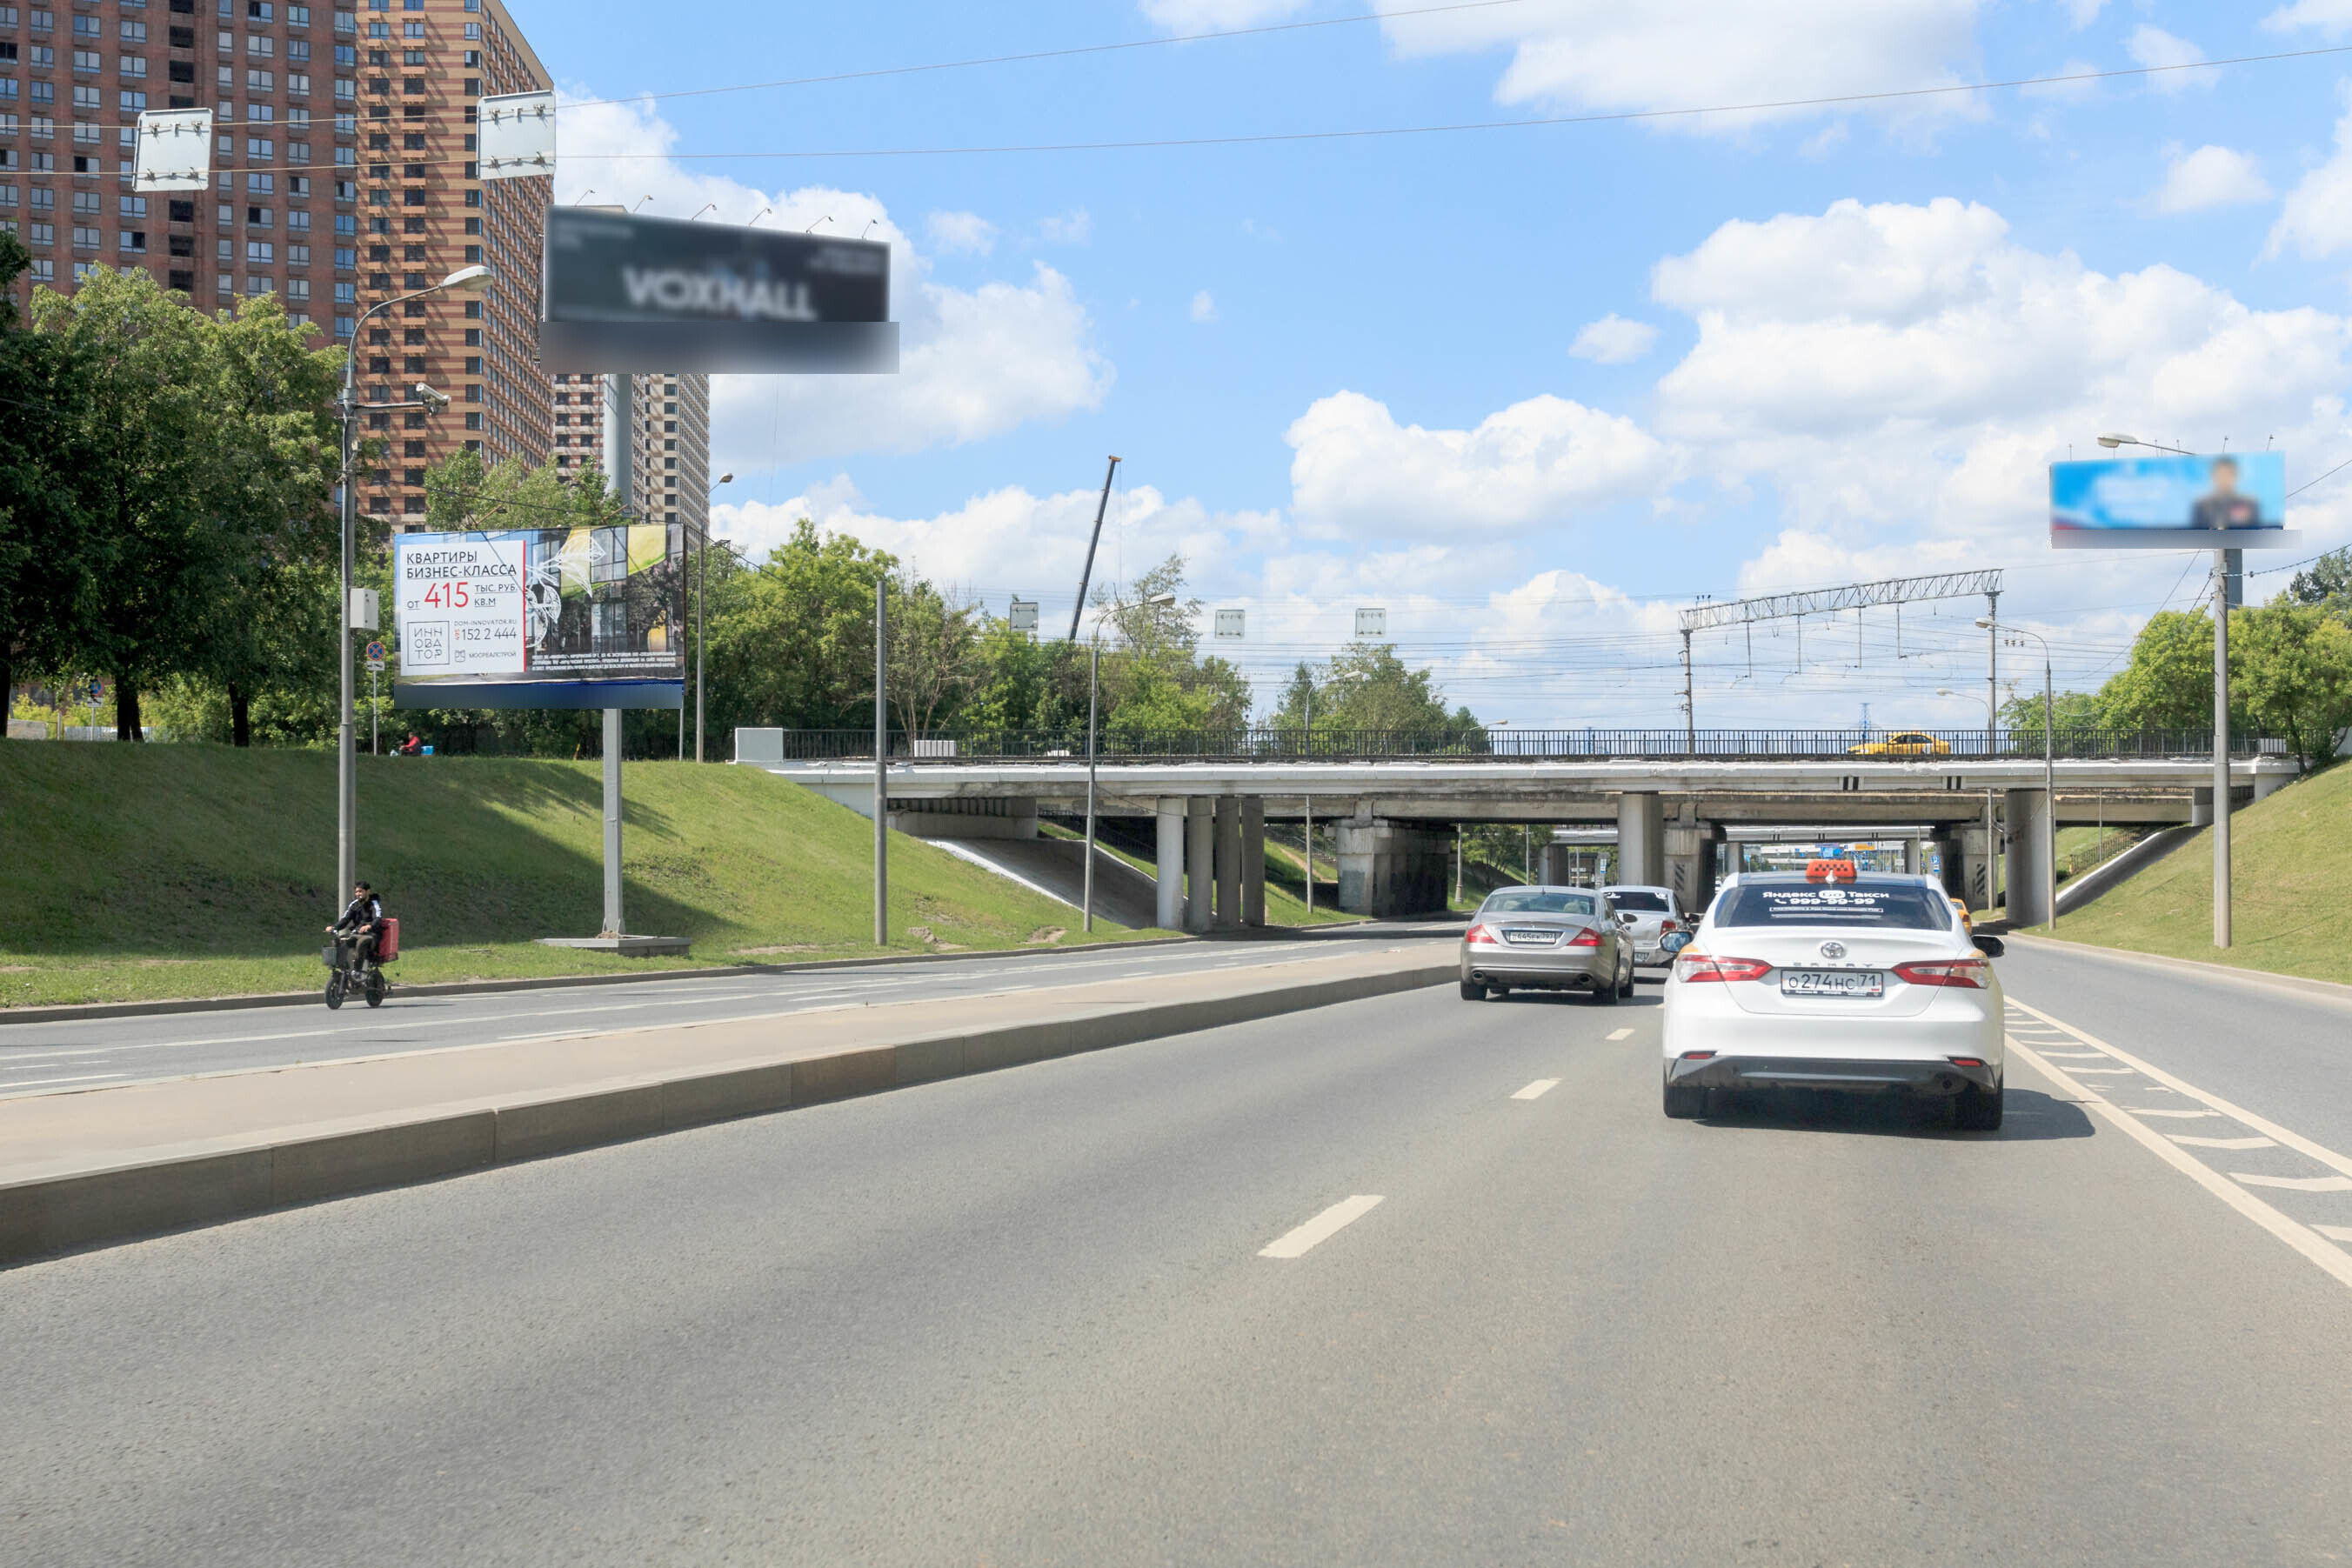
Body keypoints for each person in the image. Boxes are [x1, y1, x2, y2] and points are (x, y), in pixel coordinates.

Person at [2191, 456, 2264, 530]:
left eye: (2227, 474)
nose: (2224, 479)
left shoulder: (2249, 504)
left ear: (2235, 476)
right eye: (2220, 474)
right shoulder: (2202, 506)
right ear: (2213, 476)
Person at [329, 882, 385, 968]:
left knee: (361, 942)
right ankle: (342, 968)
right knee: (337, 942)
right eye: (356, 892)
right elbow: (346, 919)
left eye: (360, 891)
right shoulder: (354, 904)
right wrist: (335, 928)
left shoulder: (374, 903)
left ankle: (358, 970)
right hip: (357, 933)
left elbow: (378, 918)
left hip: (372, 934)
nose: (358, 894)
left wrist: (369, 926)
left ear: (368, 891)